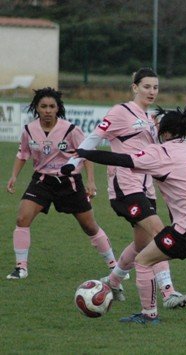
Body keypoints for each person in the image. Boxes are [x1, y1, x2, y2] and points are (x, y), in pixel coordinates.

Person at [72, 103, 186, 324]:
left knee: (144, 260)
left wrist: (84, 153)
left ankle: (148, 314)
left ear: (163, 133)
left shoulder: (160, 152)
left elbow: (124, 160)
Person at [62, 68, 186, 309]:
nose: (152, 91)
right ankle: (169, 292)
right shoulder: (120, 112)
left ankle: (112, 281)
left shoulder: (152, 118)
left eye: (155, 87)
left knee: (142, 244)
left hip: (146, 188)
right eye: (146, 87)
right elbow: (94, 137)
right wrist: (74, 162)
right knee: (160, 233)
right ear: (134, 87)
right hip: (125, 188)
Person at [6, 87, 118, 280]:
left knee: (90, 226)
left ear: (58, 108)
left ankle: (114, 266)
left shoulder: (71, 130)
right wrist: (14, 176)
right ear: (37, 108)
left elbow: (86, 154)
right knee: (22, 219)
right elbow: (22, 154)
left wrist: (91, 181)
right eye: (43, 106)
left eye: (51, 106)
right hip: (42, 181)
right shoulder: (29, 130)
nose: (48, 110)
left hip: (70, 182)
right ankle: (21, 268)